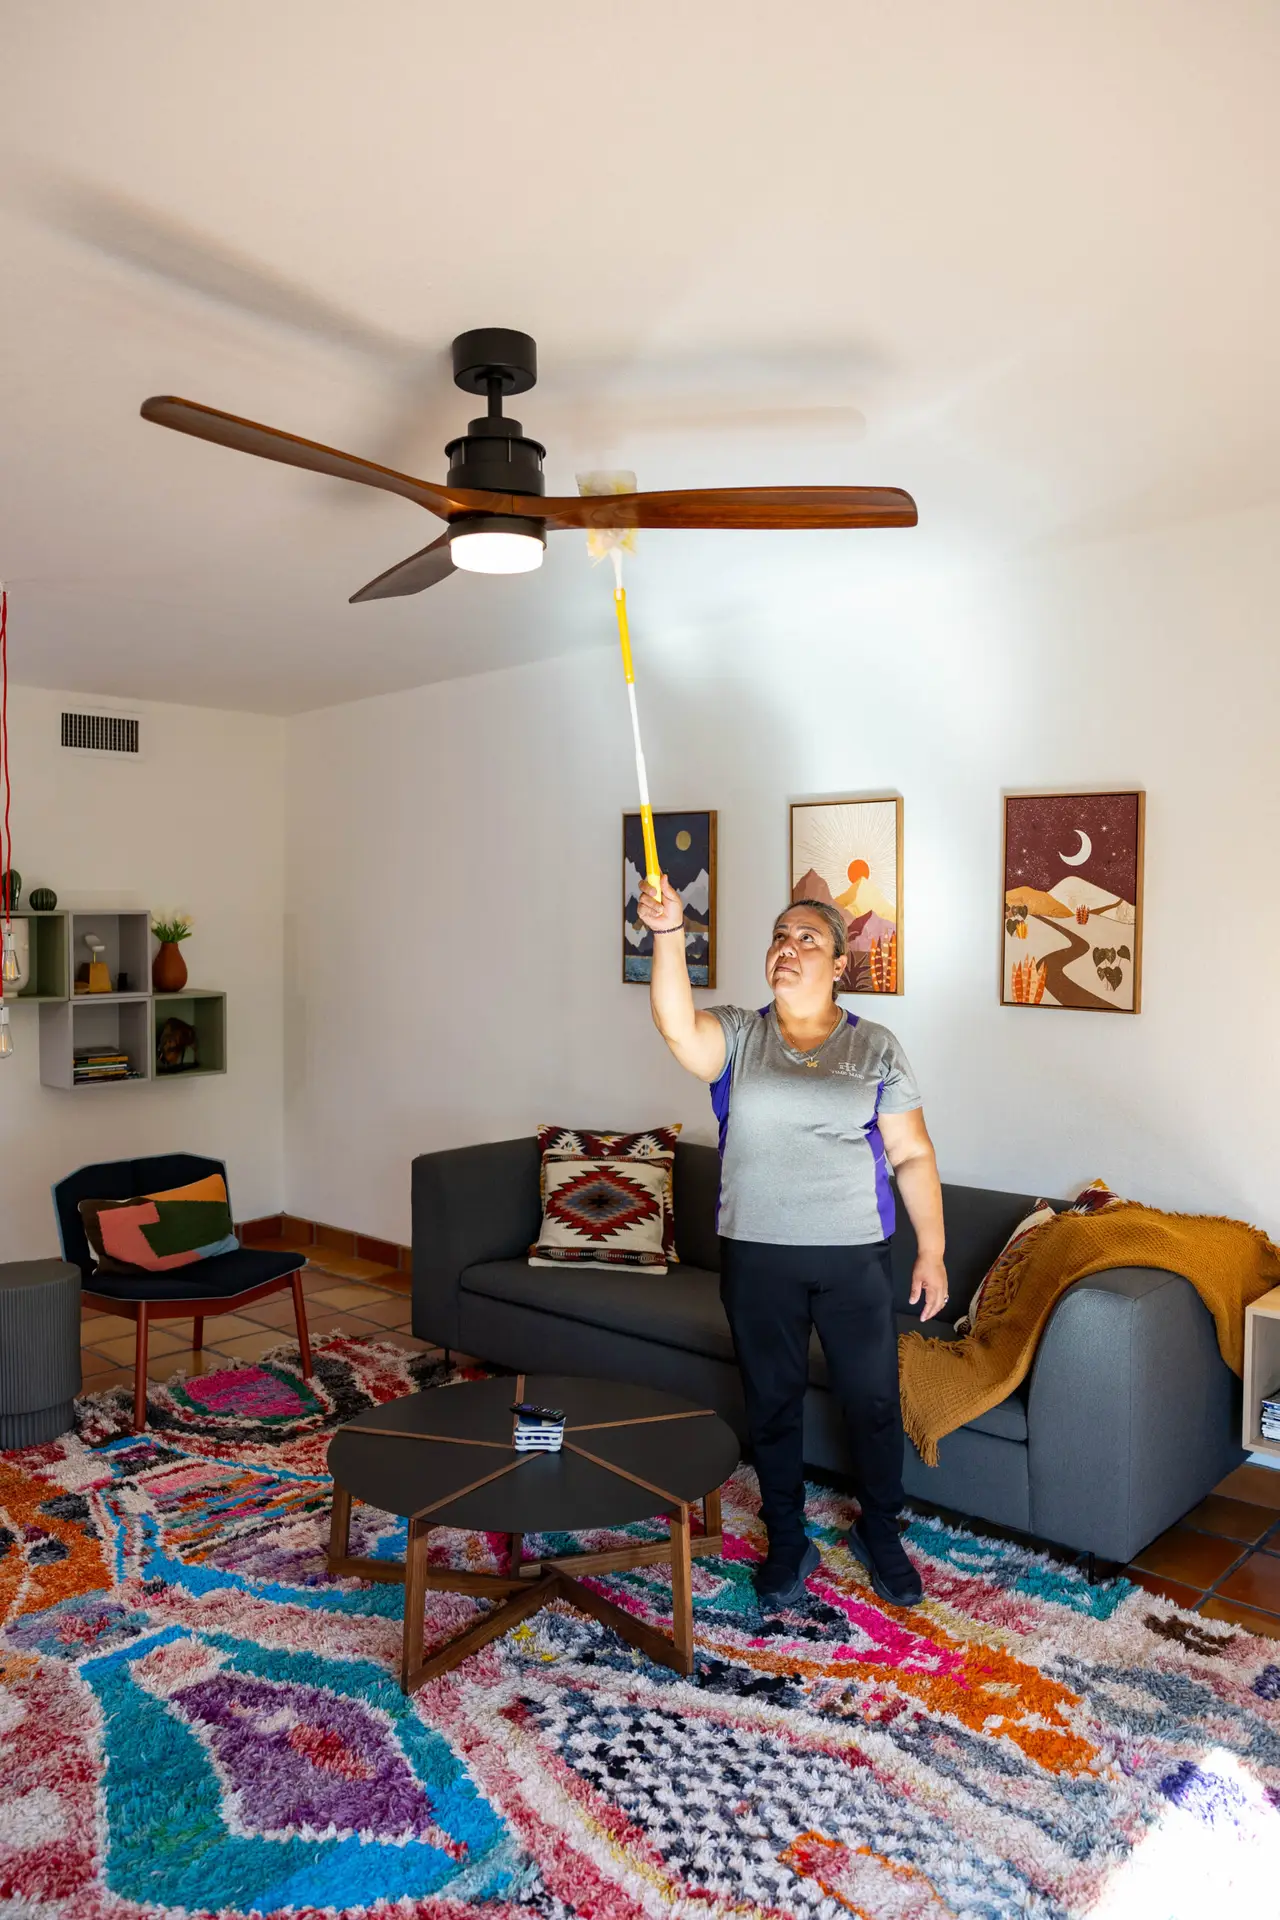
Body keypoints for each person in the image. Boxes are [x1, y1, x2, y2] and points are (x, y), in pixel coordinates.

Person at [637, 879, 947, 1608]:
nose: (788, 947)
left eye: (808, 938)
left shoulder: (875, 1046)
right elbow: (679, 1028)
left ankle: (880, 1532)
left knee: (870, 1402)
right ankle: (788, 1536)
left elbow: (912, 1154)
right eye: (780, 935)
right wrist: (668, 934)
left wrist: (931, 1249)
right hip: (757, 1254)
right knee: (772, 1403)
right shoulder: (741, 1034)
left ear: (840, 964)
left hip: (853, 1259)